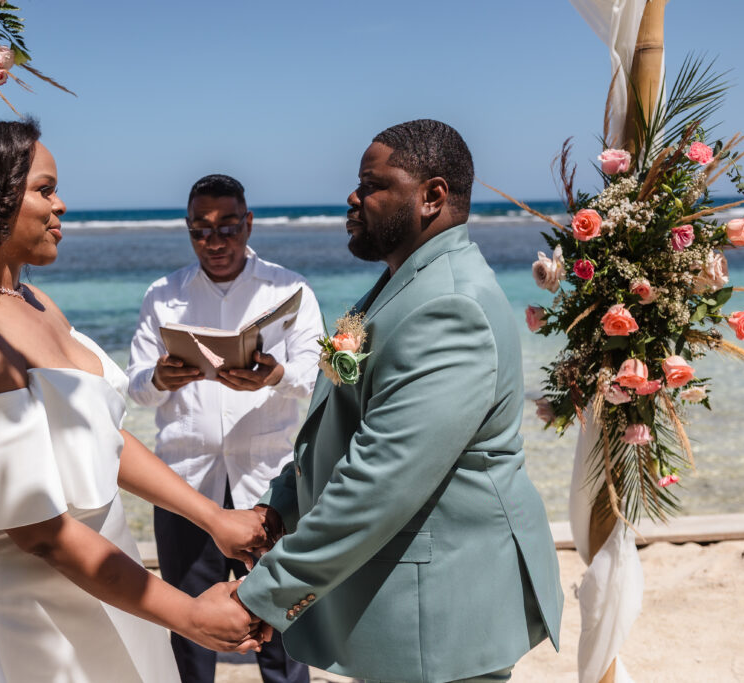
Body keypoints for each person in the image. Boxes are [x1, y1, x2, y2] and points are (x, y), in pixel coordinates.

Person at [0, 120, 271, 683]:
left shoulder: (31, 300)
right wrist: (189, 617)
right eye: (44, 189)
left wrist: (213, 518)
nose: (61, 205)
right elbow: (38, 532)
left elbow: (99, 436)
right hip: (22, 611)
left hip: (105, 571)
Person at [231, 120, 565, 683]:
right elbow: (344, 426)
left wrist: (262, 594)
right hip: (411, 609)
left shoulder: (450, 306)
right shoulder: (406, 283)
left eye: (372, 183)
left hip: (441, 614)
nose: (353, 196)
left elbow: (382, 477)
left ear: (431, 196)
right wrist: (278, 507)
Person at [127, 174, 322, 683]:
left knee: (281, 629)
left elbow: (317, 378)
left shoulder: (290, 289)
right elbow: (135, 389)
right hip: (185, 486)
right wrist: (158, 376)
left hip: (269, 487)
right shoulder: (163, 294)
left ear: (248, 222)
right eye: (199, 230)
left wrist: (275, 374)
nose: (213, 241)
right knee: (189, 635)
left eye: (227, 227)